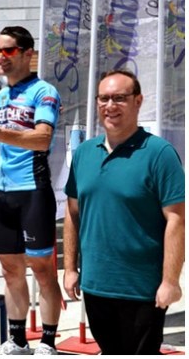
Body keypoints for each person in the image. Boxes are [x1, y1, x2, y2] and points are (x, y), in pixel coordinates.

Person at [63, 70, 184, 355]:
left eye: (120, 98)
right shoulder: (83, 154)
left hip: (141, 290)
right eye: (104, 98)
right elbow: (72, 214)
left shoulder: (159, 153)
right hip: (95, 287)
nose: (110, 105)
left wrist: (170, 281)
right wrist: (69, 269)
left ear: (138, 101)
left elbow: (176, 220)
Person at [0, 27, 62, 354]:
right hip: (3, 191)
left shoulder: (43, 91)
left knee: (42, 270)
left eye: (8, 51)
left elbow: (41, 138)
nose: (0, 57)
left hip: (32, 190)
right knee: (11, 272)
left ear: (27, 53)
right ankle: (18, 340)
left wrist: (0, 133)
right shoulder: (0, 95)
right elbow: (0, 134)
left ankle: (49, 342)